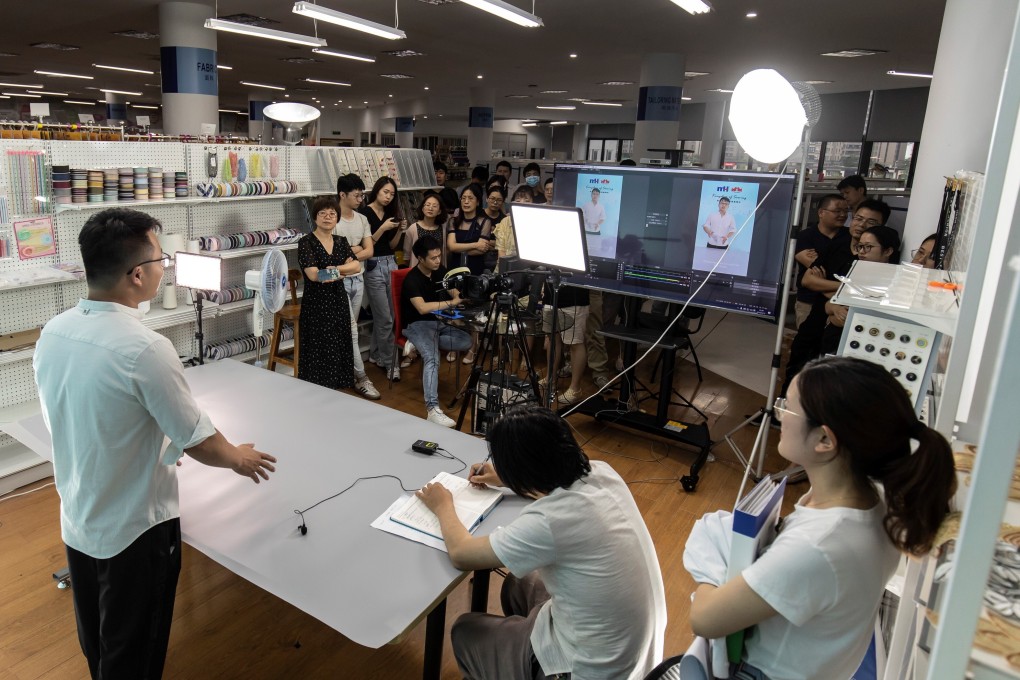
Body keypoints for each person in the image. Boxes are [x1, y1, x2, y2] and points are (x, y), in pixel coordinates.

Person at [33, 207, 278, 679]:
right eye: (162, 259)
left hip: (79, 517)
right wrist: (238, 459)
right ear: (139, 274)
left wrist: (147, 441)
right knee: (136, 652)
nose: (166, 267)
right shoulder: (144, 347)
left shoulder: (54, 332)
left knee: (99, 640)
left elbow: (79, 414)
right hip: (136, 530)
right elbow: (197, 438)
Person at [688, 356, 955, 680]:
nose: (778, 412)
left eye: (788, 406)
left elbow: (704, 618)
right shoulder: (877, 500)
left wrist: (710, 563)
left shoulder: (818, 546)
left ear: (825, 440)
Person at [416, 404, 667, 680]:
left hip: (589, 670)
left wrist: (443, 506)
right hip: (636, 654)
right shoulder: (602, 472)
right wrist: (507, 478)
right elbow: (553, 481)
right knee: (517, 585)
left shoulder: (548, 521)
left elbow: (462, 553)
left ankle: (527, 666)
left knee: (465, 630)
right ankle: (517, 658)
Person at [400, 238, 472, 427]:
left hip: (437, 323)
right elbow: (422, 308)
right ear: (420, 259)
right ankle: (432, 409)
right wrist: (451, 303)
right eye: (433, 258)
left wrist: (457, 295)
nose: (438, 261)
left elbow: (454, 292)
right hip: (417, 324)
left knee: (466, 340)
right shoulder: (411, 280)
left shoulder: (439, 271)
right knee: (432, 359)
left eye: (439, 256)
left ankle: (419, 345)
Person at [298, 196, 363, 390]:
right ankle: (318, 389)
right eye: (322, 213)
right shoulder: (306, 242)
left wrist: (335, 270)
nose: (328, 217)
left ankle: (337, 388)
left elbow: (357, 265)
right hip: (316, 302)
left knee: (340, 342)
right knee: (319, 346)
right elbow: (314, 275)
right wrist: (342, 270)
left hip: (337, 299)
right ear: (315, 217)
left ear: (337, 218)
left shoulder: (341, 241)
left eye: (332, 213)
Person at [335, 173, 381, 400]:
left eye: (362, 195)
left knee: (348, 329)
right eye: (357, 195)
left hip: (357, 280)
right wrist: (356, 251)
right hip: (339, 282)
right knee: (351, 331)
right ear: (342, 195)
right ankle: (361, 377)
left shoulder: (362, 219)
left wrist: (350, 252)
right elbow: (333, 256)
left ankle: (347, 373)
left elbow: (370, 251)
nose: (361, 199)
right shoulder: (332, 220)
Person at [819, 225, 901, 353]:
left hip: (866, 344)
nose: (861, 251)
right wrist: (836, 309)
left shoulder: (894, 281)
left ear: (888, 251)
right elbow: (829, 306)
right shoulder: (856, 270)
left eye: (868, 247)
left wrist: (837, 316)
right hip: (835, 341)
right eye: (860, 246)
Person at [359, 176, 406, 379]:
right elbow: (366, 245)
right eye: (386, 192)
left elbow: (393, 245)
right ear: (377, 190)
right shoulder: (364, 212)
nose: (388, 197)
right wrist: (382, 228)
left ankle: (377, 354)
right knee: (385, 318)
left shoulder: (389, 213)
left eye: (392, 194)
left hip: (391, 263)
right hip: (373, 265)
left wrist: (399, 232)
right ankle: (390, 363)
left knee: (390, 316)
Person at [793, 194, 850, 327]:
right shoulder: (805, 236)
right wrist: (846, 285)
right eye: (837, 211)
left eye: (846, 211)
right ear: (821, 212)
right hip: (809, 300)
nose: (843, 215)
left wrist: (819, 280)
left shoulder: (849, 236)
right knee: (806, 341)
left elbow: (822, 266)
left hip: (837, 302)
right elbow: (815, 267)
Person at [403, 190, 447, 270]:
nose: (430, 208)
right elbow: (407, 257)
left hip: (437, 271)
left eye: (434, 206)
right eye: (427, 205)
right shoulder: (413, 228)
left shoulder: (442, 229)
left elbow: (443, 254)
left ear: (439, 211)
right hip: (418, 273)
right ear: (422, 208)